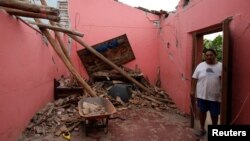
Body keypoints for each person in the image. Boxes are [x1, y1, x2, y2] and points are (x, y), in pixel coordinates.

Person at [190, 48, 222, 137]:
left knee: (214, 114)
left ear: (215, 55)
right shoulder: (200, 65)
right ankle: (202, 129)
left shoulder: (221, 66)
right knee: (202, 112)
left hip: (215, 96)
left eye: (211, 55)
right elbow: (194, 78)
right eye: (207, 55)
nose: (208, 57)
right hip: (202, 95)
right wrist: (192, 90)